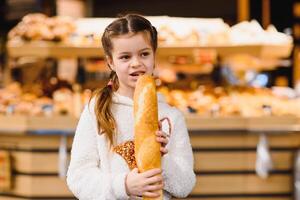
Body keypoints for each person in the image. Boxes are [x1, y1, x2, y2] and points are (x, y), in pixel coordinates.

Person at [66, 14, 196, 200]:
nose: (136, 63)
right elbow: (78, 177)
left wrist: (162, 160)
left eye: (144, 54)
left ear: (154, 56)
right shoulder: (97, 110)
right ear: (111, 62)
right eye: (125, 57)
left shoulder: (171, 116)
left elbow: (185, 186)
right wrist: (124, 185)